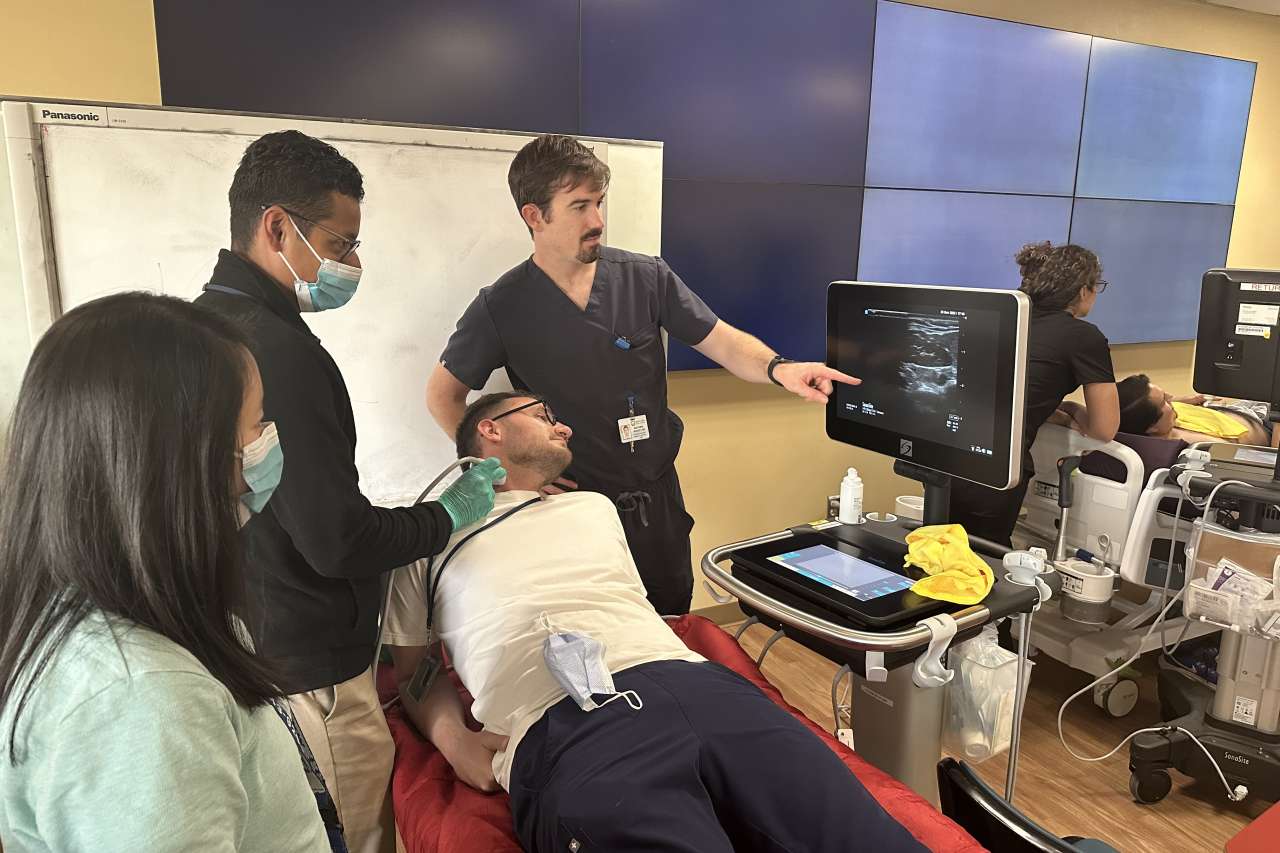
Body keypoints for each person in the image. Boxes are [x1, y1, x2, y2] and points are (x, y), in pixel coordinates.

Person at [382, 392, 925, 852]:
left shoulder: (591, 508)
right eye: (545, 415)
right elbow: (411, 674)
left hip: (700, 686)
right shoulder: (427, 536)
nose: (564, 427)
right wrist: (454, 741)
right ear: (490, 430)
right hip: (567, 724)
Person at [194, 130, 506, 853]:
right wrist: (444, 517)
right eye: (339, 244)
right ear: (278, 227)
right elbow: (336, 540)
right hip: (313, 669)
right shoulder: (277, 353)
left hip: (252, 637)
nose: (353, 265)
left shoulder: (201, 325)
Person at [426, 134, 859, 617]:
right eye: (579, 207)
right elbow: (443, 397)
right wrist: (504, 474)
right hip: (569, 508)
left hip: (654, 505)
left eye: (599, 203)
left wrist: (781, 368)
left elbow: (723, 342)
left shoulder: (645, 277)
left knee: (670, 618)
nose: (597, 220)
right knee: (592, 630)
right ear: (535, 216)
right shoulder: (502, 306)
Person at [0, 293, 329, 851]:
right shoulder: (143, 698)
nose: (268, 444)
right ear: (179, 462)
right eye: (255, 426)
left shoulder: (119, 614)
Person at [950, 241, 1119, 546]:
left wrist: (1050, 409)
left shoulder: (1008, 315)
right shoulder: (1083, 337)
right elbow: (1104, 429)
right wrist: (1072, 410)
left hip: (946, 452)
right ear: (1084, 290)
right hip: (994, 467)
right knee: (983, 559)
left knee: (942, 548)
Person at [1115, 374, 1274, 446]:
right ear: (1152, 427)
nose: (1170, 398)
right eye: (1164, 401)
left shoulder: (1157, 420)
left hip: (1244, 410)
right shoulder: (1193, 443)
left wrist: (1183, 400)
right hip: (1269, 428)